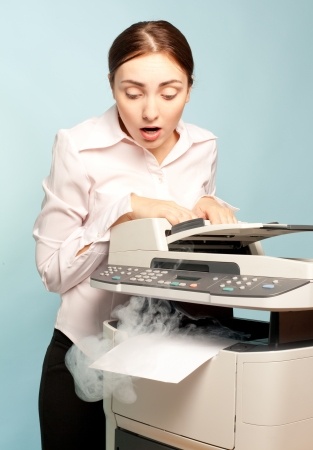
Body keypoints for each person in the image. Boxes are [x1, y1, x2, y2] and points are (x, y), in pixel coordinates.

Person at [33, 20, 237, 450]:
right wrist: (121, 211)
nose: (150, 111)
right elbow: (53, 274)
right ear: (112, 86)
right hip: (85, 352)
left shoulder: (204, 147)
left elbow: (183, 258)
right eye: (132, 92)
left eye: (169, 93)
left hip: (169, 354)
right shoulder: (78, 147)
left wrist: (208, 219)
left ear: (189, 88)